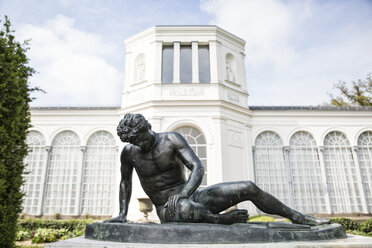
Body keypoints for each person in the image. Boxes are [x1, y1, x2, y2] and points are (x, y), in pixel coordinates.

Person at [105, 113, 330, 225]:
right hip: (168, 209)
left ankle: (297, 217)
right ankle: (222, 220)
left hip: (192, 196)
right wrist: (122, 215)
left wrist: (184, 193)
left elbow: (197, 168)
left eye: (140, 138)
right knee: (183, 208)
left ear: (147, 128)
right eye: (133, 141)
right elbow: (126, 182)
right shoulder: (130, 152)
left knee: (248, 187)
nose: (138, 144)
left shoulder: (171, 139)